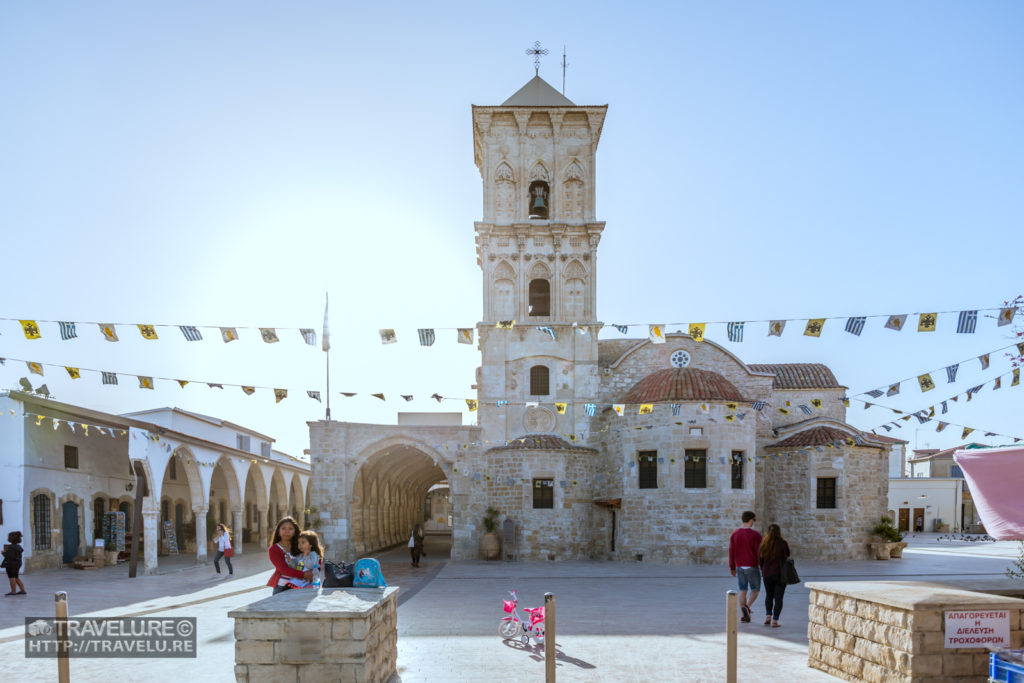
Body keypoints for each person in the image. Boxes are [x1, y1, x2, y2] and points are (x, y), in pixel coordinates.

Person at [728, 510, 762, 623]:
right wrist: (762, 565)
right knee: (755, 589)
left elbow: (731, 552)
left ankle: (744, 615)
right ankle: (747, 606)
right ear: (751, 520)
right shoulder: (756, 535)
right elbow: (759, 552)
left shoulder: (735, 534)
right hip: (752, 565)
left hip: (739, 566)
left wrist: (732, 567)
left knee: (743, 590)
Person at [267, 516, 312, 595]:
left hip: (303, 585)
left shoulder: (300, 546)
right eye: (283, 528)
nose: (287, 531)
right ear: (278, 531)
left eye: (290, 529)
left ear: (295, 531)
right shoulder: (274, 549)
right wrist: (304, 575)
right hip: (282, 587)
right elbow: (283, 569)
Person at [759, 524, 791, 627]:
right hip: (780, 574)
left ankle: (768, 615)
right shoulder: (783, 543)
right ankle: (775, 620)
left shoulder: (764, 544)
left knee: (769, 595)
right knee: (778, 598)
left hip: (767, 574)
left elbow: (761, 560)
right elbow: (788, 554)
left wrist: (763, 570)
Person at [3, 531, 26, 596]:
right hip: (18, 563)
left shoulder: (11, 547)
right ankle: (22, 590)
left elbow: (10, 556)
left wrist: (3, 553)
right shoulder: (19, 547)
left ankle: (13, 591)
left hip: (11, 564)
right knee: (16, 577)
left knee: (11, 577)